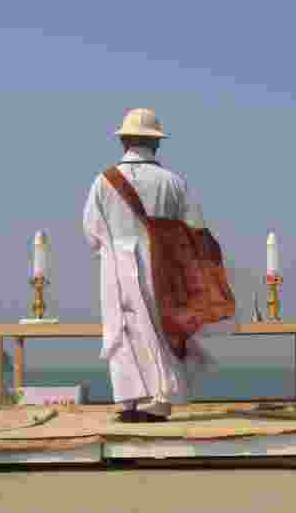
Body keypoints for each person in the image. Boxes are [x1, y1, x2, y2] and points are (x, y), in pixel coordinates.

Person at [82, 108, 225, 423]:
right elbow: (195, 227)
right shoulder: (173, 182)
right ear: (156, 143)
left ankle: (129, 400)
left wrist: (111, 251)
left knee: (123, 330)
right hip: (164, 264)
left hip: (115, 265)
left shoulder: (103, 182)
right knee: (162, 328)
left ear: (124, 141)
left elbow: (91, 230)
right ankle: (159, 401)